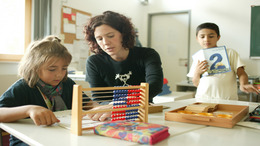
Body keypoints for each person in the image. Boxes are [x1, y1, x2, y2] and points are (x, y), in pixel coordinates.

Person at [0, 36, 108, 146]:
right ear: (34, 67)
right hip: (28, 141)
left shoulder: (67, 83)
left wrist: (98, 108)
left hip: (61, 138)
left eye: (64, 68)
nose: (59, 74)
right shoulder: (23, 87)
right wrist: (29, 110)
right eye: (52, 69)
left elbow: (88, 104)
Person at [84, 11, 163, 103]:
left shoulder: (148, 55)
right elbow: (99, 98)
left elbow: (154, 86)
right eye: (99, 39)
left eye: (110, 36)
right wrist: (114, 108)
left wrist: (123, 104)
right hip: (111, 113)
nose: (105, 42)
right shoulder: (94, 62)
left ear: (123, 34)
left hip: (142, 112)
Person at [187, 22, 260, 100]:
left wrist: (244, 84)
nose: (206, 39)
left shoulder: (230, 52)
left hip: (227, 99)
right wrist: (197, 73)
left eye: (211, 36)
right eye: (202, 37)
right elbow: (196, 83)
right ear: (197, 39)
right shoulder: (198, 56)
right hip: (203, 98)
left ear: (218, 37)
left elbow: (241, 72)